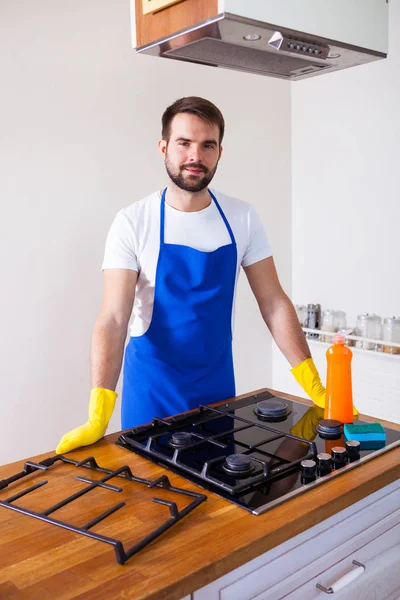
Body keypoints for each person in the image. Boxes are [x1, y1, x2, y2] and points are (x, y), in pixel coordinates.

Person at [56, 96, 327, 455]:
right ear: (164, 147)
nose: (195, 156)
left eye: (207, 145)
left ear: (219, 152)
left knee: (217, 502)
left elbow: (274, 304)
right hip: (150, 398)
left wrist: (316, 386)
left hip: (218, 394)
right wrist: (98, 413)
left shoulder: (242, 218)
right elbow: (113, 318)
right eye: (184, 143)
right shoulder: (133, 222)